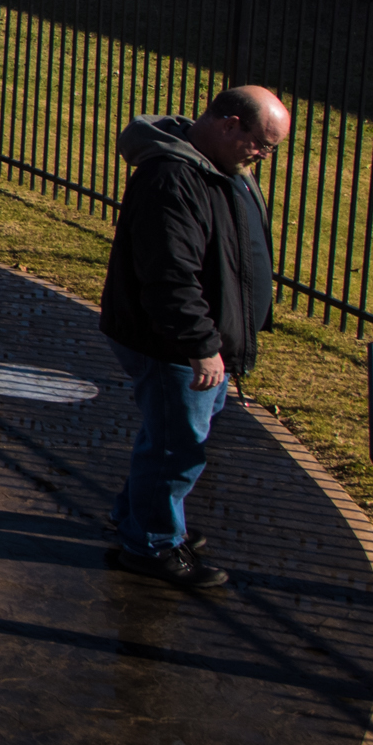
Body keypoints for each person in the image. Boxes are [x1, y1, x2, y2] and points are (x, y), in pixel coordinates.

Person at [98, 84, 290, 592]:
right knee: (176, 448)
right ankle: (153, 544)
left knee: (168, 435)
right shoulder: (172, 177)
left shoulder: (223, 169)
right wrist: (201, 344)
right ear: (230, 125)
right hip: (173, 344)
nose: (264, 156)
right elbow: (170, 276)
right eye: (262, 144)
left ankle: (140, 517)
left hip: (196, 338)